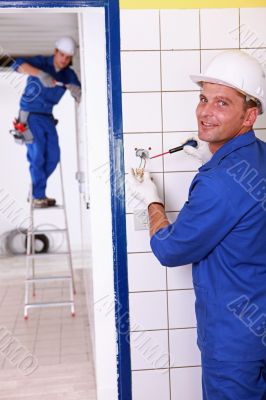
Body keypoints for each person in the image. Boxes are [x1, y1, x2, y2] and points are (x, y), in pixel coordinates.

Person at [129, 50, 266, 399]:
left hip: (236, 343)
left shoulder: (220, 181)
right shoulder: (258, 158)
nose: (206, 112)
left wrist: (152, 199)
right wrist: (213, 157)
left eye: (222, 103)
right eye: (204, 98)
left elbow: (170, 249)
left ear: (249, 115)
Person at [12, 36, 81, 208]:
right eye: (62, 55)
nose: (64, 60)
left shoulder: (68, 74)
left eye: (68, 57)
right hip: (30, 115)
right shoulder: (41, 63)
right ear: (55, 52)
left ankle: (35, 192)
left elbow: (80, 95)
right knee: (37, 157)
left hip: (47, 117)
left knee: (53, 156)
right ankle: (38, 195)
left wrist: (76, 90)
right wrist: (40, 74)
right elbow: (17, 65)